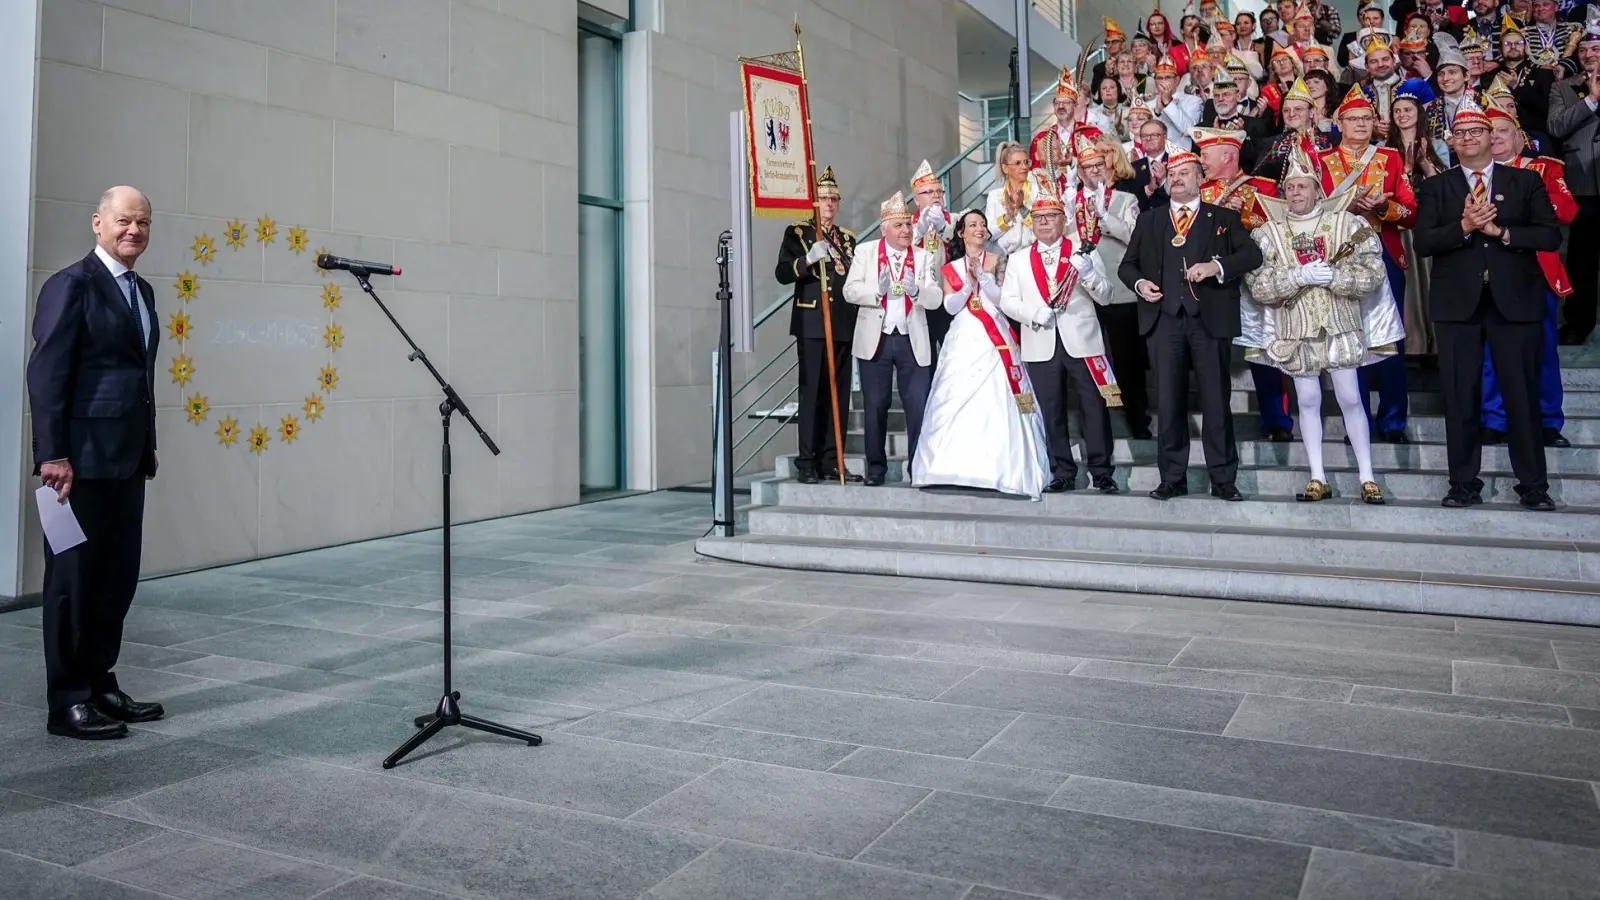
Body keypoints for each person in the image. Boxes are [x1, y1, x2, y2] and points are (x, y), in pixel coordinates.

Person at [26, 185, 166, 739]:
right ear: (98, 223)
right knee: (72, 583)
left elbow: (139, 380)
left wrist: (148, 445)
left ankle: (101, 682)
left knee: (115, 579)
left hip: (127, 462)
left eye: (144, 223)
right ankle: (68, 700)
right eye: (124, 221)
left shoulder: (144, 292)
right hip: (75, 467)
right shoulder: (71, 285)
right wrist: (52, 455)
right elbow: (47, 375)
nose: (134, 230)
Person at [1414, 102, 1561, 510]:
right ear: (1452, 142)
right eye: (1461, 134)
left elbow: (1549, 237)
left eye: (1477, 132)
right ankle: (1462, 483)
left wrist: (1501, 231)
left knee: (1521, 395)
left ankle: (1533, 486)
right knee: (1460, 396)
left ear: (1492, 138)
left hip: (1515, 302)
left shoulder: (1524, 181)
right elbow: (1424, 243)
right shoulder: (1438, 187)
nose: (1469, 139)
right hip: (1456, 305)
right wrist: (1463, 227)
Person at [1240, 144, 1403, 504]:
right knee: (1308, 399)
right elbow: (1256, 284)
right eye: (1291, 187)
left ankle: (1367, 476)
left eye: (1303, 186)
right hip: (1294, 328)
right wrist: (1296, 276)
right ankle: (1317, 476)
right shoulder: (1267, 234)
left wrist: (1336, 276)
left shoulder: (1347, 223)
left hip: (1340, 323)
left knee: (1349, 397)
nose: (1296, 192)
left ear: (1318, 189)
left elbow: (1374, 271)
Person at [1119, 148, 1264, 501]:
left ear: (1201, 179)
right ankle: (1172, 477)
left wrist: (1216, 267)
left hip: (1209, 322)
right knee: (1168, 403)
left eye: (1186, 173)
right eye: (1173, 173)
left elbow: (1252, 255)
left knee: (1216, 402)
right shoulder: (1150, 220)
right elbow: (1128, 266)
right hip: (1164, 322)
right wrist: (1140, 285)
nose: (1178, 178)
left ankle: (1223, 479)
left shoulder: (1223, 217)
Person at [999, 167, 1122, 493]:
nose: (1044, 223)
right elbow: (1008, 301)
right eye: (1039, 219)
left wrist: (1089, 276)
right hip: (1040, 341)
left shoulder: (1084, 251)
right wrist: (1033, 312)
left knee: (1093, 407)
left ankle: (1102, 471)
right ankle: (1061, 471)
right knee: (1050, 410)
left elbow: (1107, 296)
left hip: (1082, 342)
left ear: (1062, 220)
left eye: (1051, 217)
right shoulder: (1019, 259)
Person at [914, 209, 1052, 498]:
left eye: (982, 224)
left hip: (995, 334)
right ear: (961, 232)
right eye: (972, 224)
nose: (979, 228)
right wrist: (967, 285)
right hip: (965, 333)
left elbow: (1004, 301)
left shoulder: (1000, 261)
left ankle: (1002, 468)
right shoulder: (951, 267)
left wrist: (985, 280)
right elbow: (950, 307)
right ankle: (948, 466)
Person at [1319, 86, 1418, 443]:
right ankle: (1355, 422)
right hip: (1338, 261)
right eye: (1353, 119)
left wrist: (1380, 208)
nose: (1361, 124)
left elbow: (1410, 212)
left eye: (1367, 118)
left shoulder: (1390, 159)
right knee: (1346, 342)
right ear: (1339, 123)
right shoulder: (1321, 161)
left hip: (1385, 256)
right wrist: (1345, 208)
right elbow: (1307, 213)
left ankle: (1393, 421)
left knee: (1389, 340)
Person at [1192, 125, 1292, 442]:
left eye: (1205, 154)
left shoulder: (1263, 188)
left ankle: (1276, 420)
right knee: (1213, 357)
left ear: (1228, 155)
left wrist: (1247, 219)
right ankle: (1217, 423)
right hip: (1212, 286)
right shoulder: (1199, 192)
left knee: (1266, 352)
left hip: (1255, 283)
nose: (1201, 161)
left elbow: (1281, 232)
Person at [1481, 106, 1573, 447]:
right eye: (1491, 131)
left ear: (1521, 137)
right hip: (1489, 272)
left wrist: (1519, 208)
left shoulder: (1544, 167)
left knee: (1544, 351)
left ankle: (1548, 420)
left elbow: (1567, 210)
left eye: (1503, 130)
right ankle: (1494, 419)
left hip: (1535, 272)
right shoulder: (1474, 174)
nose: (1497, 137)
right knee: (1490, 351)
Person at [844, 191, 944, 487]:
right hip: (877, 339)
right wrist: (876, 292)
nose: (905, 231)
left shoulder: (924, 256)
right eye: (898, 225)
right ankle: (876, 469)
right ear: (883, 228)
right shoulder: (865, 252)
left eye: (908, 225)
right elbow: (849, 291)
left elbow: (936, 298)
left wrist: (916, 292)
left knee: (917, 405)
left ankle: (918, 468)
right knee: (875, 404)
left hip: (912, 340)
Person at [775, 165, 859, 484]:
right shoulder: (798, 233)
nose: (829, 205)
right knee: (812, 392)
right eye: (824, 199)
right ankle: (807, 462)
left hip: (842, 323)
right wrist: (807, 260)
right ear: (814, 203)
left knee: (838, 394)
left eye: (834, 199)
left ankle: (832, 459)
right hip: (812, 322)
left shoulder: (847, 238)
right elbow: (783, 273)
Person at [1074, 135, 1153, 438]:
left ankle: (1137, 419)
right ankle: (1091, 424)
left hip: (1119, 291)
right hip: (1080, 292)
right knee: (1085, 358)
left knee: (1128, 360)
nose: (1094, 170)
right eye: (1087, 166)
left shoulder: (1125, 200)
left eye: (1098, 164)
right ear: (1080, 172)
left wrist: (1105, 217)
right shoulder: (1069, 202)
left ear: (1107, 166)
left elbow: (1136, 237)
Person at [1547, 13, 1600, 344]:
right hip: (1583, 183)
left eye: (1597, 49)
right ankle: (1578, 324)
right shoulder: (1563, 88)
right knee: (1582, 260)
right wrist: (1591, 100)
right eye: (1585, 51)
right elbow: (1555, 127)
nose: (1591, 55)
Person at [1388, 78, 1448, 357]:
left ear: (1418, 113)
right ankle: (1414, 345)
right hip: (1401, 224)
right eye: (1397, 111)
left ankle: (1437, 343)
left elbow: (1445, 188)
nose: (1402, 115)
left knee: (1433, 281)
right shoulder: (1385, 149)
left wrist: (1423, 163)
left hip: (1431, 222)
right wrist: (1408, 166)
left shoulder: (1436, 144)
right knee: (1410, 286)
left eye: (1407, 110)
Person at [910, 160, 957, 357]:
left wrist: (943, 229)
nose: (936, 195)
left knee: (951, 353)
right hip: (920, 299)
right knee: (924, 357)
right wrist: (918, 232)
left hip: (949, 296)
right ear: (916, 199)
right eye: (929, 192)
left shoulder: (955, 219)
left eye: (939, 191)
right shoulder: (907, 224)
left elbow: (961, 247)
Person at [1257, 78, 1336, 187]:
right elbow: (1260, 182)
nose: (1291, 114)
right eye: (1286, 110)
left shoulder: (1331, 142)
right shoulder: (1270, 145)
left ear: (1312, 112)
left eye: (1298, 109)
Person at [1200, 65, 1275, 170]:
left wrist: (1240, 138)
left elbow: (1258, 161)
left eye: (1226, 94)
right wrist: (1216, 139)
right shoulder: (1202, 129)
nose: (1221, 99)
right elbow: (1199, 164)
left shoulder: (1256, 125)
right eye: (1216, 95)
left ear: (1238, 97)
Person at [986, 140, 1037, 271]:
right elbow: (989, 234)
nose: (1024, 167)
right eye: (1018, 163)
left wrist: (1022, 209)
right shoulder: (995, 196)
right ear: (1005, 168)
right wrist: (1008, 217)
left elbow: (1043, 227)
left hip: (1032, 257)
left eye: (1026, 162)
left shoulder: (1037, 192)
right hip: (1004, 261)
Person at [1032, 66, 1082, 194]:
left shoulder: (1089, 133)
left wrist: (1073, 162)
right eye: (1057, 103)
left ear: (1075, 105)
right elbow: (1035, 172)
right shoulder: (1041, 138)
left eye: (1066, 102)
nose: (1060, 106)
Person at [1152, 54, 1204, 150]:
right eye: (1159, 78)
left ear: (1177, 80)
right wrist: (1157, 113)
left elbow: (1189, 131)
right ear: (1155, 81)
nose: (1163, 82)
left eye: (1167, 77)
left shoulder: (1193, 101)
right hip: (1156, 156)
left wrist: (1168, 102)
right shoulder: (1148, 103)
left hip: (1183, 156)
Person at [1526, 0, 1581, 74]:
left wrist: (1564, 66)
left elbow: (1579, 59)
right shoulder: (1524, 34)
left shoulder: (1573, 29)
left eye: (1545, 4)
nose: (1540, 8)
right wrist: (1539, 69)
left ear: (1556, 7)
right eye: (1536, 6)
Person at [1339, 0, 1389, 69]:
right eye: (1367, 19)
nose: (1371, 22)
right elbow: (1342, 62)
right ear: (1362, 20)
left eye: (1376, 18)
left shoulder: (1391, 38)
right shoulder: (1350, 38)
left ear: (1382, 19)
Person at [1092, 17, 1128, 87]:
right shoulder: (1099, 68)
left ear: (1123, 45)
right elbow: (1095, 91)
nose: (1111, 45)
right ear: (1105, 48)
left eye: (1115, 42)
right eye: (1108, 42)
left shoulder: (1131, 63)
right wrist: (1107, 75)